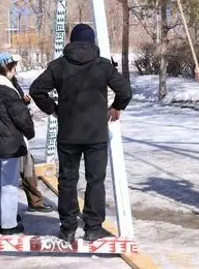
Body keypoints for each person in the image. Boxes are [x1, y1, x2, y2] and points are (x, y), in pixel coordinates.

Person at [29, 23, 132, 243]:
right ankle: (93, 228)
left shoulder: (59, 66)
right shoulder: (103, 65)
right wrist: (116, 106)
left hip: (68, 133)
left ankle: (67, 228)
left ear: (72, 41)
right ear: (92, 41)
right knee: (95, 181)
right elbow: (125, 90)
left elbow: (36, 90)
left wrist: (53, 110)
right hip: (96, 134)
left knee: (67, 180)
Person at [0, 56, 54, 231]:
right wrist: (30, 133)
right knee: (9, 184)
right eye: (14, 68)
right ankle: (9, 224)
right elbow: (23, 119)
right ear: (8, 69)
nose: (15, 72)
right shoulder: (8, 91)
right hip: (8, 146)